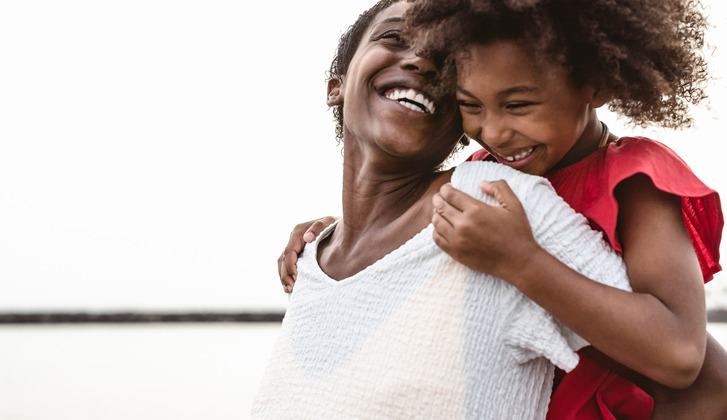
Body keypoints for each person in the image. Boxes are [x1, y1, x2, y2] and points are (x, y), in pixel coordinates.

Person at [278, 0, 727, 418]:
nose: (492, 131)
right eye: (469, 106)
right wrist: (345, 234)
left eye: (518, 105)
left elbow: (687, 360)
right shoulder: (483, 175)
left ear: (598, 84)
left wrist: (521, 261)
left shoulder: (634, 181)